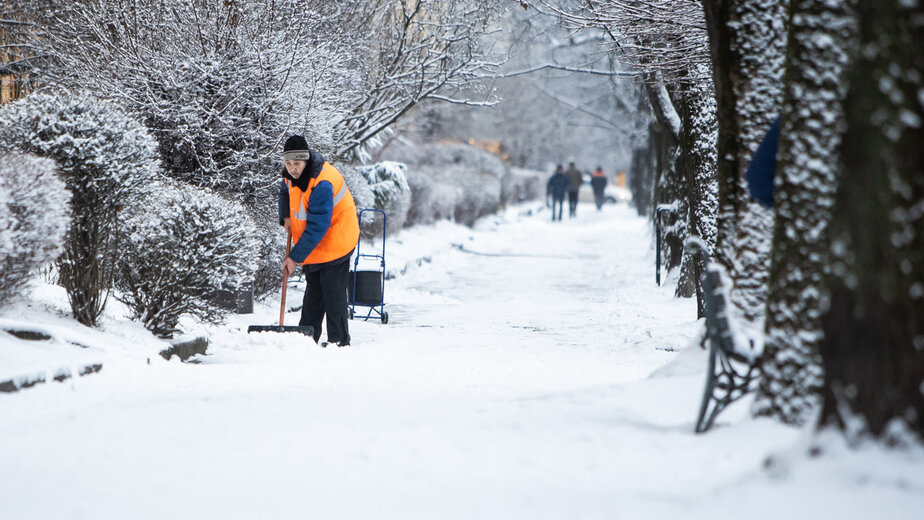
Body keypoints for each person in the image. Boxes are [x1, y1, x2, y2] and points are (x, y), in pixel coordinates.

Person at [278, 135, 360, 347]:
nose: (292, 168)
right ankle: (306, 339)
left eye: (297, 164)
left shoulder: (322, 183)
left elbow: (317, 226)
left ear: (306, 161)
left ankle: (339, 341)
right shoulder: (290, 175)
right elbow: (284, 191)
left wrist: (294, 257)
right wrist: (285, 215)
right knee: (314, 292)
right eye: (288, 164)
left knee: (332, 293)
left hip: (337, 239)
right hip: (316, 244)